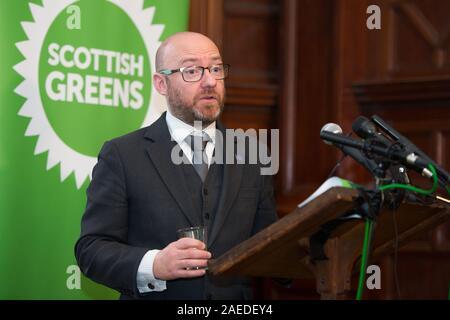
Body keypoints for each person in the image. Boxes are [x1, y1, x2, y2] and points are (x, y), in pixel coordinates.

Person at [75, 32, 278, 300]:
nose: (209, 81)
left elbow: (270, 245)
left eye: (216, 69)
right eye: (192, 70)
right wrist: (154, 264)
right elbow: (91, 250)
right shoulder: (122, 155)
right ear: (161, 83)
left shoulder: (252, 154)